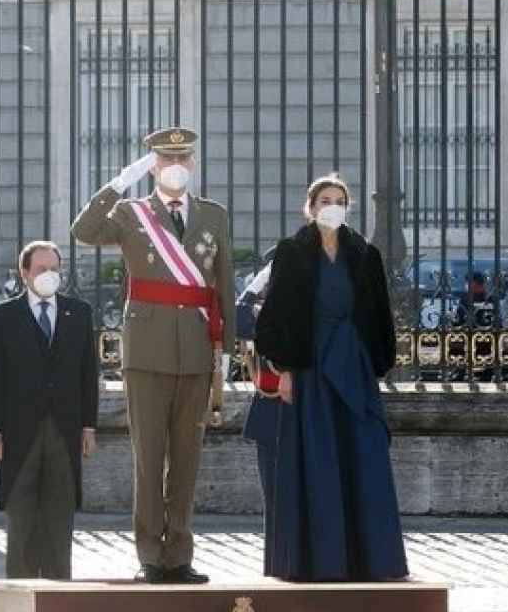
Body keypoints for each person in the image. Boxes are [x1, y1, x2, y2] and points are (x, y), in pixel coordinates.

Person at [71, 127, 235, 585]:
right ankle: (150, 554)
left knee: (187, 458)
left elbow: (223, 284)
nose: (175, 165)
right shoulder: (130, 213)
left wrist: (226, 350)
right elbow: (82, 231)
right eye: (165, 159)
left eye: (182, 157)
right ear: (153, 166)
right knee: (149, 458)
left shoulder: (214, 216)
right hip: (145, 352)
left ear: (194, 164)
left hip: (198, 349)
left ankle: (179, 553)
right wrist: (121, 182)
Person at [254, 174, 407, 582]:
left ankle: (370, 558)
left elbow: (380, 317)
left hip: (353, 366)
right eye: (325, 198)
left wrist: (375, 361)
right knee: (316, 459)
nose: (333, 205)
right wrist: (283, 369)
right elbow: (276, 316)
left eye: (339, 199)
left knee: (363, 456)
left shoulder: (365, 254)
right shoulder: (291, 252)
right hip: (309, 367)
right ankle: (315, 561)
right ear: (311, 206)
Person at [0, 241, 100, 579]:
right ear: (24, 273)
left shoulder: (79, 312)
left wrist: (89, 426)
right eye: (41, 269)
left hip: (64, 429)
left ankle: (57, 600)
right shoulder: (4, 315)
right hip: (19, 433)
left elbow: (88, 374)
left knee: (60, 519)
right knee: (22, 520)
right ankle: (19, 600)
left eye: (54, 269)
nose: (49, 275)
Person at [235, 250, 287, 570]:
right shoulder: (260, 306)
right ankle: (276, 567)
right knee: (276, 501)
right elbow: (239, 319)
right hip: (272, 410)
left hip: (312, 412)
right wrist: (261, 281)